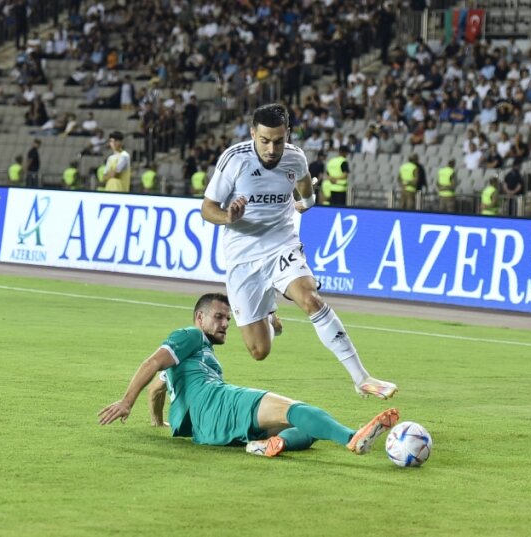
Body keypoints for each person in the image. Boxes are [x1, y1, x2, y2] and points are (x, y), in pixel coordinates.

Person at [201, 104, 396, 399]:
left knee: (311, 299)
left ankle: (361, 377)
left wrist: (306, 202)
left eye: (278, 141)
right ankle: (269, 315)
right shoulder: (234, 160)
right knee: (259, 351)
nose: (271, 148)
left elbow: (305, 189)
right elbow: (207, 209)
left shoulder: (294, 157)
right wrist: (228, 216)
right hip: (243, 255)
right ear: (253, 133)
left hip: (282, 243)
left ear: (286, 135)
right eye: (264, 140)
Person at [98, 293, 400, 458]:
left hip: (208, 430)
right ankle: (352, 437)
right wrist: (126, 401)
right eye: (218, 317)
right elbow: (153, 362)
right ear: (199, 318)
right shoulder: (189, 335)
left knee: (308, 431)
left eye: (228, 319)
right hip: (219, 403)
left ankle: (262, 445)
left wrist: (156, 420)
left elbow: (157, 388)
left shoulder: (195, 360)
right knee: (301, 410)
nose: (225, 324)